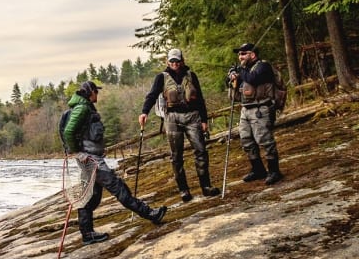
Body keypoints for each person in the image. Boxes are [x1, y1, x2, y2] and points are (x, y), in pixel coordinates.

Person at [63, 81, 168, 245]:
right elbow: (69, 131)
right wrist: (78, 153)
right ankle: (150, 214)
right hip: (91, 161)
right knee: (119, 189)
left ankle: (87, 234)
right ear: (90, 92)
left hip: (91, 159)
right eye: (96, 92)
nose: (97, 94)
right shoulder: (82, 108)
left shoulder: (84, 107)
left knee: (91, 197)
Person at [138, 49, 221, 202]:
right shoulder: (161, 77)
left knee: (201, 151)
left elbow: (200, 98)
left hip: (193, 117)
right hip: (172, 118)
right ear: (168, 62)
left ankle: (206, 186)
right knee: (176, 156)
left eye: (177, 61)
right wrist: (144, 112)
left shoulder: (191, 75)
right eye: (172, 61)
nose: (175, 64)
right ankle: (184, 190)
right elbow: (152, 95)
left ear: (182, 61)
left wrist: (204, 120)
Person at [228, 43, 283, 185]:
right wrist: (232, 75)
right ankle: (258, 169)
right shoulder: (244, 69)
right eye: (239, 54)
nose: (240, 56)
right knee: (246, 140)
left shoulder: (263, 66)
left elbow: (253, 79)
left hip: (261, 108)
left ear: (252, 54)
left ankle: (274, 171)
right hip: (245, 109)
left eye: (243, 53)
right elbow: (231, 84)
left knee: (265, 140)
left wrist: (239, 70)